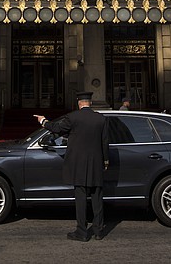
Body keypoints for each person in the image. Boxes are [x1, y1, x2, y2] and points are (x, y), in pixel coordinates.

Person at [34, 91, 109, 242]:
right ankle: (99, 231)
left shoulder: (73, 117)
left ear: (79, 103)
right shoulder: (101, 119)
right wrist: (105, 161)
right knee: (97, 197)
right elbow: (104, 142)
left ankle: (82, 232)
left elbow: (56, 128)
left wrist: (43, 121)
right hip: (95, 163)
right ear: (90, 103)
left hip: (78, 164)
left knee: (81, 198)